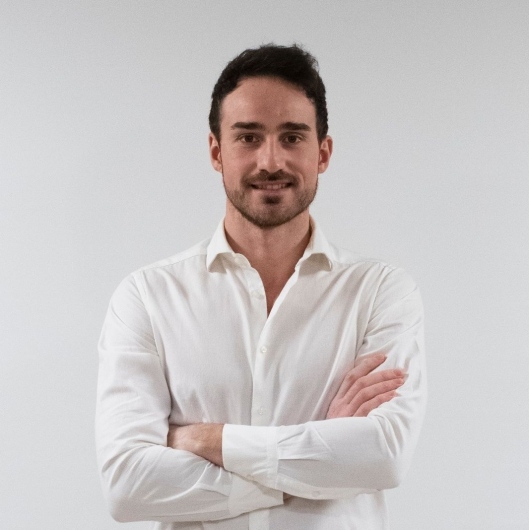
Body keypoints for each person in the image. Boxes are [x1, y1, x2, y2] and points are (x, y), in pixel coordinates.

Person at [96, 44, 426, 530]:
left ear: (323, 152)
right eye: (248, 137)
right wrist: (320, 456)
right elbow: (127, 486)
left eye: (292, 137)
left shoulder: (380, 292)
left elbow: (383, 457)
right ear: (217, 152)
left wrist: (205, 440)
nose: (271, 161)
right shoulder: (147, 296)